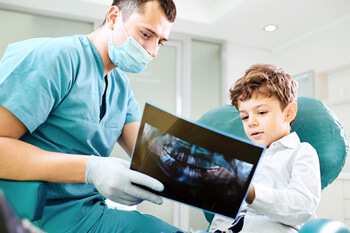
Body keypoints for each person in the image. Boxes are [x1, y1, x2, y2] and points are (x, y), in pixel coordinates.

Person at [0, 0, 183, 232]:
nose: (153, 51)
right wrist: (91, 168)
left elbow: (155, 154)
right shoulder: (56, 58)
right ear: (114, 17)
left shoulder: (120, 87)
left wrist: (227, 178)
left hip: (89, 212)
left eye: (161, 43)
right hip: (35, 216)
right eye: (147, 34)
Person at [209, 64, 321, 233]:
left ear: (289, 113)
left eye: (261, 112)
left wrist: (249, 192)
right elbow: (222, 216)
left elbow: (303, 208)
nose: (251, 122)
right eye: (244, 117)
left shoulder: (301, 152)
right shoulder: (242, 158)